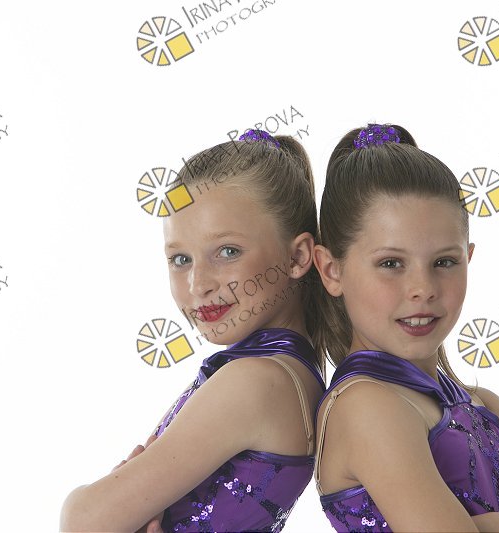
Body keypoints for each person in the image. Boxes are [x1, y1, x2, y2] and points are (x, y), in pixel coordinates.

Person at [311, 124, 499, 532]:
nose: (422, 288)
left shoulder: (484, 405)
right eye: (391, 263)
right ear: (332, 270)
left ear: (468, 258)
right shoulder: (365, 406)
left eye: (444, 262)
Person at [60, 129, 326, 532]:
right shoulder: (285, 373)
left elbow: (84, 521)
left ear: (298, 256)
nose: (198, 284)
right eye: (180, 259)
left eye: (228, 251)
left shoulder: (255, 381)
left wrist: (83, 501)